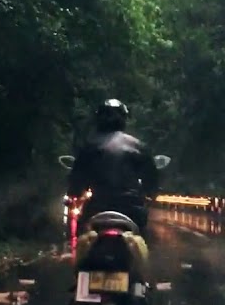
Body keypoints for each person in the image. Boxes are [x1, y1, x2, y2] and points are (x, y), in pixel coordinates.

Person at [66, 98, 160, 236]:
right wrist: (150, 194)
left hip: (97, 207)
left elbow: (76, 184)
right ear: (124, 119)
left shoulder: (89, 147)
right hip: (132, 209)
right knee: (144, 238)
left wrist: (75, 192)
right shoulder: (138, 146)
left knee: (79, 236)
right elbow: (151, 181)